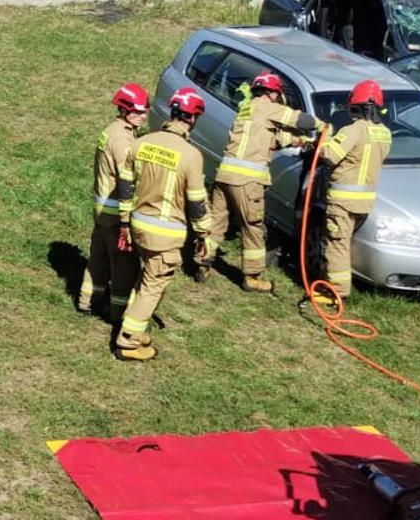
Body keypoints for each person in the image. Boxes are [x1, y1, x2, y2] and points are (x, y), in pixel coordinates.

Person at [114, 87, 212, 361]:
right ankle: (128, 341)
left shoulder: (142, 143)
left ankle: (131, 324)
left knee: (145, 279)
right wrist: (204, 234)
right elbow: (196, 203)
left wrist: (124, 222)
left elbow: (124, 185)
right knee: (154, 284)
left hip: (137, 225)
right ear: (193, 119)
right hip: (166, 234)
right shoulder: (191, 155)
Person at [205, 71, 322, 292]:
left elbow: (270, 139)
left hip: (224, 176)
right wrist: (322, 125)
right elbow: (301, 120)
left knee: (216, 221)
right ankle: (252, 276)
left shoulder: (246, 110)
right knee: (253, 227)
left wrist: (300, 142)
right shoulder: (269, 107)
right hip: (247, 181)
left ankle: (202, 261)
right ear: (272, 93)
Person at [316, 79, 392, 307]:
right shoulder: (385, 134)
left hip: (342, 201)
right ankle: (340, 285)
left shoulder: (353, 130)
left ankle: (337, 293)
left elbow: (329, 154)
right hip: (364, 203)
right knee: (345, 242)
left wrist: (323, 139)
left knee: (337, 244)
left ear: (355, 105)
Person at [79, 83, 149, 320]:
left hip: (101, 209)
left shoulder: (112, 130)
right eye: (138, 111)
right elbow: (126, 180)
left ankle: (87, 300)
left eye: (145, 110)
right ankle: (118, 311)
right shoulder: (122, 141)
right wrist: (127, 220)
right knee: (123, 265)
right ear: (124, 110)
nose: (144, 115)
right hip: (115, 212)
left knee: (97, 258)